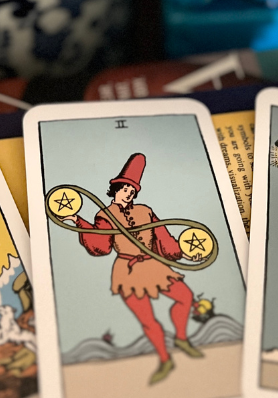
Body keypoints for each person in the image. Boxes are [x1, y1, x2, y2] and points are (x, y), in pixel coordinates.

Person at [65, 153, 204, 384]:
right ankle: (164, 358)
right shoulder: (105, 215)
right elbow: (101, 246)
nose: (129, 194)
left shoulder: (145, 210)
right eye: (125, 189)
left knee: (185, 297)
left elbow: (163, 237)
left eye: (132, 191)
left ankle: (181, 338)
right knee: (148, 319)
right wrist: (78, 221)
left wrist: (183, 252)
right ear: (116, 189)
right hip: (127, 270)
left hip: (153, 265)